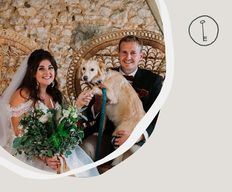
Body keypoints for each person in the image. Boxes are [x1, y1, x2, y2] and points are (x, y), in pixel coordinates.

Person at [0, 49, 98, 177]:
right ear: (32, 72)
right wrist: (44, 157)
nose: (47, 72)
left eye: (50, 68)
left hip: (54, 149)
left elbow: (63, 125)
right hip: (28, 152)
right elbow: (20, 134)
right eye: (41, 68)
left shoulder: (54, 95)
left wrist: (78, 105)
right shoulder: (22, 95)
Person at [81, 35, 163, 162]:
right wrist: (98, 102)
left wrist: (137, 136)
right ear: (118, 54)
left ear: (141, 56)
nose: (128, 57)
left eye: (133, 53)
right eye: (124, 52)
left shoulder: (153, 80)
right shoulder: (101, 74)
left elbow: (158, 116)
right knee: (85, 149)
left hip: (134, 136)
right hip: (104, 135)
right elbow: (89, 114)